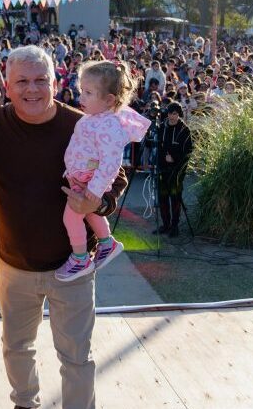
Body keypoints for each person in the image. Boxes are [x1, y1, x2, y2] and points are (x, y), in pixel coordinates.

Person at [0, 45, 127, 409]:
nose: (33, 89)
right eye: (22, 81)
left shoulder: (85, 124)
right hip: (14, 263)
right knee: (16, 347)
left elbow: (117, 174)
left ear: (55, 80)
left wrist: (99, 202)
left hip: (73, 265)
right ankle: (25, 406)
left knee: (77, 355)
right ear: (6, 85)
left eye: (41, 80)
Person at [58, 61, 149, 281]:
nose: (81, 98)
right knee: (89, 212)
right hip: (83, 178)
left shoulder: (109, 124)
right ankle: (106, 243)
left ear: (109, 100)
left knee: (71, 218)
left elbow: (111, 161)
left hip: (90, 181)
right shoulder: (95, 119)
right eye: (82, 91)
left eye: (88, 93)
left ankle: (80, 258)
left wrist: (96, 190)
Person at [154, 102, 192, 236]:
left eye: (175, 113)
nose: (172, 116)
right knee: (162, 197)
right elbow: (158, 146)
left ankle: (175, 226)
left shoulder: (184, 130)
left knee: (175, 198)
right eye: (170, 113)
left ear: (179, 114)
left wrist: (174, 158)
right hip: (163, 169)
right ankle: (166, 224)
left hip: (177, 170)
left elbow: (188, 151)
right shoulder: (162, 128)